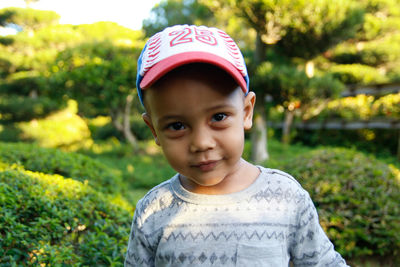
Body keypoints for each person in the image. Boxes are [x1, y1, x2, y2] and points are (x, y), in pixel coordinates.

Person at [125, 24, 348, 267]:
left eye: (218, 117)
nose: (201, 143)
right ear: (153, 129)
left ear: (246, 112)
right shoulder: (153, 210)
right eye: (177, 125)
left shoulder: (286, 198)